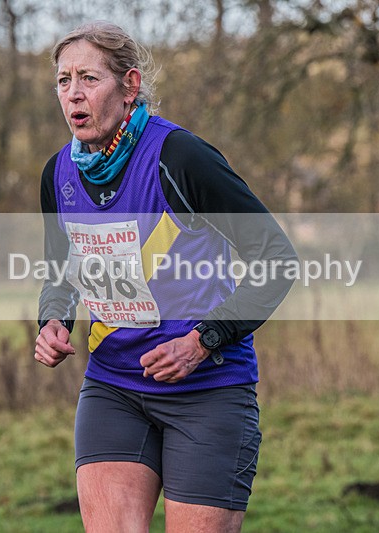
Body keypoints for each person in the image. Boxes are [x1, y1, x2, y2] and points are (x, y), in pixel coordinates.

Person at [35, 21, 296, 532]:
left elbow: (276, 259)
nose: (73, 94)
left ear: (129, 85)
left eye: (89, 78)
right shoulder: (58, 174)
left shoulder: (180, 157)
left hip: (207, 389)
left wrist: (202, 341)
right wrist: (53, 320)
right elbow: (61, 271)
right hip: (113, 388)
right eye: (63, 81)